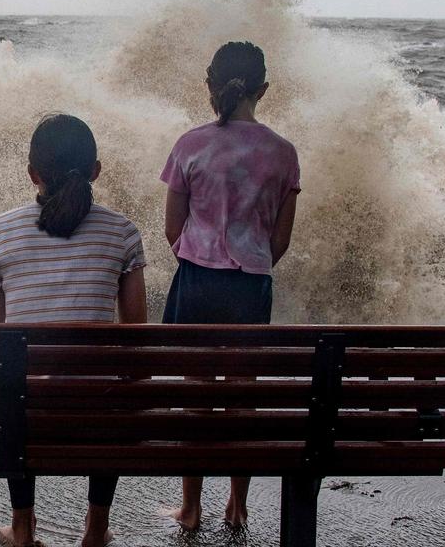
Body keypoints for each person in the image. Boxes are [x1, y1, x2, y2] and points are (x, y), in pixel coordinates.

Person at [0, 114, 147, 547]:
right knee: (115, 388)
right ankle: (94, 530)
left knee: (12, 378)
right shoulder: (123, 232)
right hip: (98, 413)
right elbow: (136, 338)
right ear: (96, 171)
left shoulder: (1, 230)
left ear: (33, 174)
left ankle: (22, 527)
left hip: (24, 413)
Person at [160, 41, 300, 531]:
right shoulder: (283, 153)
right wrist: (250, 261)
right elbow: (279, 240)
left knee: (195, 397)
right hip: (250, 285)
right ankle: (237, 506)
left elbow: (172, 229)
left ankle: (191, 508)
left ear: (209, 86)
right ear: (263, 89)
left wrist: (201, 256)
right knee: (244, 396)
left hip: (196, 280)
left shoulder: (190, 144)